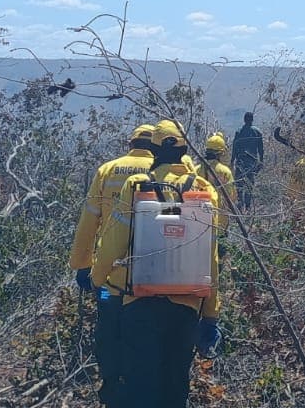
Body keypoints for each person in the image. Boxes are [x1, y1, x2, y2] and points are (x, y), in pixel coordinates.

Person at [90, 120, 222, 408]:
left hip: (139, 301)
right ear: (186, 148)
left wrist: (97, 279)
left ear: (153, 150)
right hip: (186, 306)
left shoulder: (137, 186)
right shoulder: (203, 189)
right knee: (175, 385)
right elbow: (211, 256)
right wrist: (211, 313)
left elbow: (114, 240)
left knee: (141, 383)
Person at [69, 123, 156, 408]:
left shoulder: (108, 170)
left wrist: (83, 265)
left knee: (108, 326)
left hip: (110, 279)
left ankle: (111, 383)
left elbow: (89, 221)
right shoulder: (162, 172)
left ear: (130, 143)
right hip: (151, 279)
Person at [200, 133, 237, 236]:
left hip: (199, 221)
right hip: (220, 222)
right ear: (221, 153)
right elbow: (232, 197)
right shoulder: (225, 172)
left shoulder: (195, 170)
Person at [232, 110, 264, 210]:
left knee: (239, 184)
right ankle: (248, 206)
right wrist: (261, 161)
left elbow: (234, 148)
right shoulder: (257, 132)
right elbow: (261, 149)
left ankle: (241, 203)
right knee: (249, 184)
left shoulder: (239, 132)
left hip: (240, 162)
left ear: (244, 120)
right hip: (252, 163)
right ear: (252, 120)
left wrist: (232, 160)